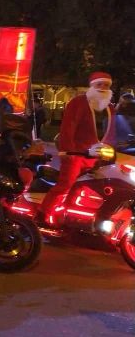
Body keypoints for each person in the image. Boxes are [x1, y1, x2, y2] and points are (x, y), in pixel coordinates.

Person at [40, 72, 116, 226]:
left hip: (98, 157)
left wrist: (111, 150)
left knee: (92, 189)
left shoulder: (109, 108)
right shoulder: (78, 103)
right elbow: (68, 128)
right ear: (92, 85)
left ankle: (75, 218)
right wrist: (67, 151)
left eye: (106, 85)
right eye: (99, 84)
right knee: (66, 185)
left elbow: (112, 131)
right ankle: (43, 214)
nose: (103, 87)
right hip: (77, 154)